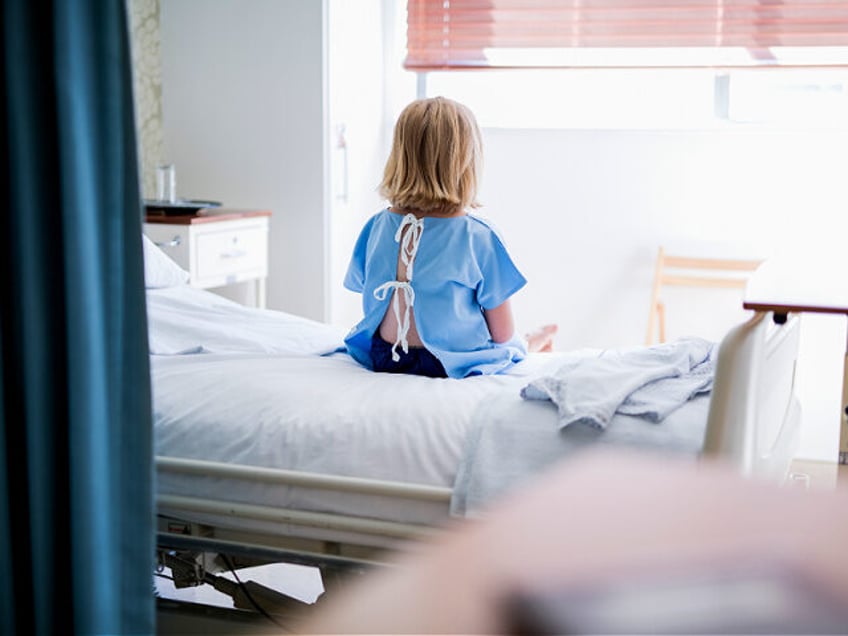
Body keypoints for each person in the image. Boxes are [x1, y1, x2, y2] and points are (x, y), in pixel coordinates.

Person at [343, 96, 556, 379]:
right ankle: (534, 340)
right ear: (465, 164)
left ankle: (535, 338)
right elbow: (502, 333)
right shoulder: (478, 236)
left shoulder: (376, 227)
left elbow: (363, 288)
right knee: (513, 346)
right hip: (448, 362)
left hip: (386, 357)